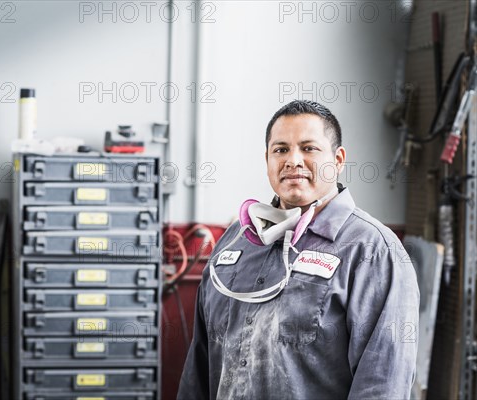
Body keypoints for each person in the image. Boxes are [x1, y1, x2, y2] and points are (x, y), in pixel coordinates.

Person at [177, 100, 420, 400]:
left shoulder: (373, 252)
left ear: (338, 159)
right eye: (280, 150)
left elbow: (383, 386)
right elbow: (197, 371)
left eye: (309, 148)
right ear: (267, 159)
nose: (293, 160)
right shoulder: (234, 242)